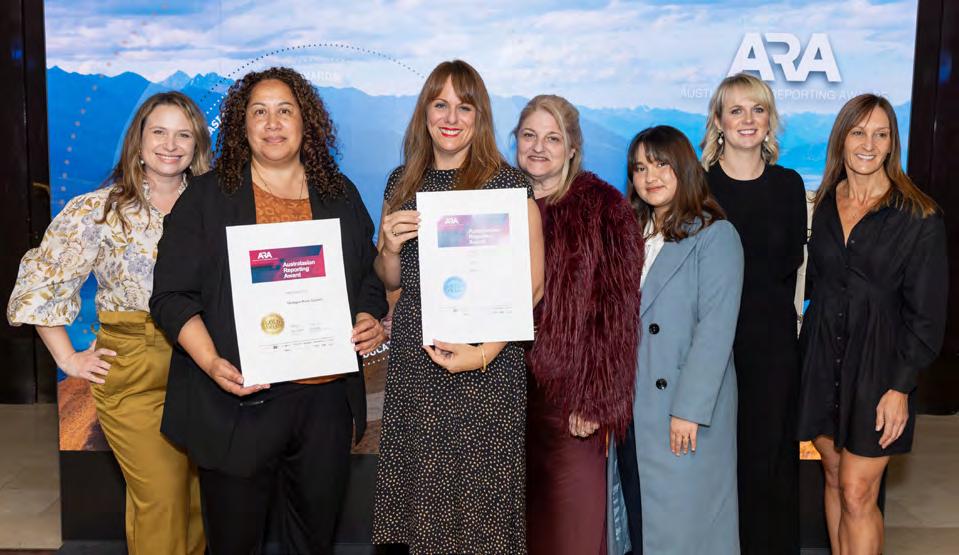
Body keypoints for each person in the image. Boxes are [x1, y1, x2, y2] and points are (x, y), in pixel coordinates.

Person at [149, 67, 387, 554]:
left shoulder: (338, 194)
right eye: (259, 111)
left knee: (313, 541)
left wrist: (367, 316)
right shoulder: (207, 198)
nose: (272, 123)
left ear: (306, 122)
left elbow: (367, 277)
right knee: (235, 543)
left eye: (285, 111)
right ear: (242, 125)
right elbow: (171, 297)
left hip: (324, 404)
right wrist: (211, 361)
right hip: (238, 400)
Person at [8, 91, 209, 554]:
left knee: (196, 502)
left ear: (197, 145)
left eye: (183, 135)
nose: (170, 145)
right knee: (160, 498)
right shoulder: (97, 210)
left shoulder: (214, 208)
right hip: (134, 370)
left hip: (202, 366)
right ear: (138, 140)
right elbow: (42, 283)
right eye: (159, 132)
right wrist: (68, 358)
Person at [371, 59, 545, 553]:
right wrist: (388, 247)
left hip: (488, 367)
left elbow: (532, 286)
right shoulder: (401, 183)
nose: (451, 117)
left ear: (479, 116)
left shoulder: (508, 185)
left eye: (464, 107)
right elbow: (389, 278)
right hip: (417, 363)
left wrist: (484, 352)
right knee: (423, 511)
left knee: (481, 515)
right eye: (440, 104)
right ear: (424, 112)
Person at [798, 94, 947, 554]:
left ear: (892, 144)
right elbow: (815, 285)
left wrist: (900, 388)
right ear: (841, 139)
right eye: (858, 132)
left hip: (879, 373)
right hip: (822, 362)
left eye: (880, 134)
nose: (868, 144)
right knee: (833, 478)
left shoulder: (919, 217)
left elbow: (927, 316)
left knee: (858, 492)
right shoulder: (825, 202)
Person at [514, 95, 643, 555]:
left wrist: (596, 399)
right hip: (505, 398)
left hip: (571, 405)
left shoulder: (603, 208)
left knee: (571, 532)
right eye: (529, 135)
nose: (539, 147)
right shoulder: (496, 205)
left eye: (553, 138)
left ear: (573, 148)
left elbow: (618, 313)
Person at [609, 125, 743, 555]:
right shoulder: (631, 235)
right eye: (640, 168)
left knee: (685, 528)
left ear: (683, 167)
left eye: (661, 164)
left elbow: (715, 331)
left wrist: (688, 410)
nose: (650, 177)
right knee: (639, 523)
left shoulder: (715, 235)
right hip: (632, 410)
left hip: (682, 413)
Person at [701, 72, 807, 554]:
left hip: (774, 348)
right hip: (714, 349)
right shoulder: (699, 187)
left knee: (771, 466)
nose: (748, 119)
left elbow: (792, 268)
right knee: (720, 466)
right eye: (736, 110)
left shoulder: (789, 185)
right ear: (718, 121)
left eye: (758, 109)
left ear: (770, 120)